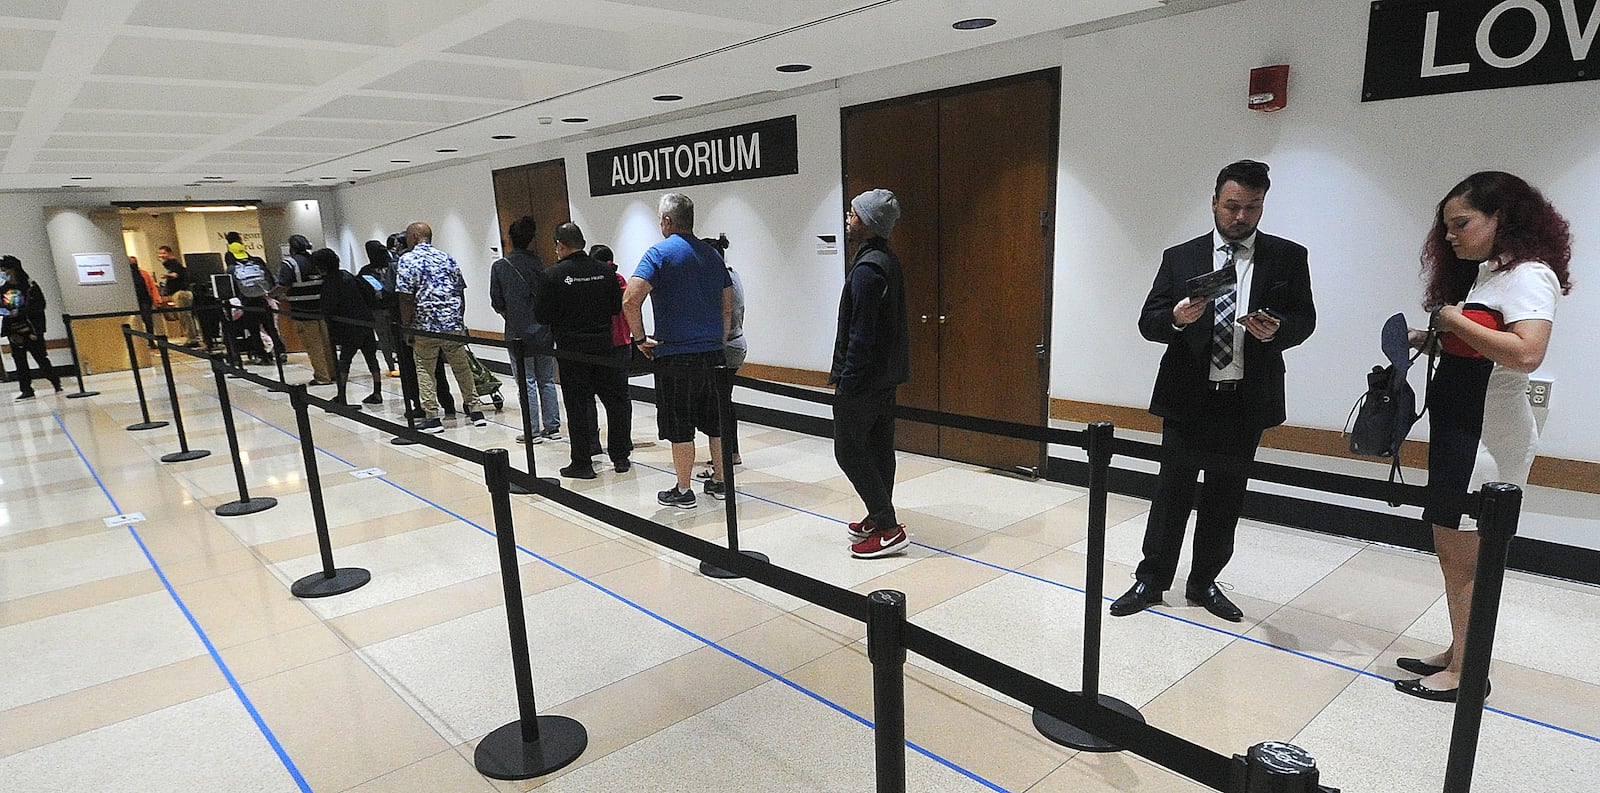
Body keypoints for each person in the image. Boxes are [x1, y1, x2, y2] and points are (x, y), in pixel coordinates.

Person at [1110, 160, 1316, 622]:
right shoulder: (1180, 257)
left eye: (1252, 207)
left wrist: (1275, 331)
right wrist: (1177, 318)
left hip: (1246, 397)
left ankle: (1204, 582)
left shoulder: (1287, 257)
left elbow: (1305, 320)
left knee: (1227, 496)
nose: (1241, 217)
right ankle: (1151, 578)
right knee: (1172, 493)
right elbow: (1150, 320)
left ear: (1264, 204)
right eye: (1232, 206)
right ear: (1214, 202)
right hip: (1188, 397)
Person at [1393, 172, 1571, 702]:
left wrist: (1451, 318)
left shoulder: (1530, 275)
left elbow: (1526, 352)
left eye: (1462, 223)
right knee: (1451, 547)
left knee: (1464, 552)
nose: (1450, 236)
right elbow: (1485, 348)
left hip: (1488, 440)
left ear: (1502, 219)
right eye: (1446, 226)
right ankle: (1459, 649)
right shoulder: (1489, 275)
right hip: (1462, 428)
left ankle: (1467, 672)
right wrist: (1436, 336)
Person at [623, 193, 734, 508]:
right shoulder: (713, 256)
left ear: (667, 222)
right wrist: (720, 340)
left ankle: (684, 490)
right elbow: (728, 306)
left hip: (675, 356)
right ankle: (721, 481)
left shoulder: (659, 254)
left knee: (680, 422)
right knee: (717, 421)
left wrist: (640, 338)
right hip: (713, 354)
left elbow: (631, 299)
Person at [833, 190, 911, 559]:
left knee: (848, 451)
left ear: (866, 223)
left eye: (853, 214)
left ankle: (888, 527)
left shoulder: (867, 270)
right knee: (880, 449)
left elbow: (860, 335)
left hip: (864, 381)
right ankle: (881, 515)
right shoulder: (886, 261)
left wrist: (847, 382)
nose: (848, 218)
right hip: (885, 378)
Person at [537, 223, 631, 479]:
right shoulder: (605, 272)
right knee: (616, 402)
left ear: (561, 245)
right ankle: (621, 456)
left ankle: (582, 462)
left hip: (572, 351)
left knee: (578, 406)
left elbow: (542, 314)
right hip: (604, 347)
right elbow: (615, 308)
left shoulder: (552, 275)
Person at [394, 221, 483, 433]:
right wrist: (459, 319)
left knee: (425, 370)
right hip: (452, 324)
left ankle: (432, 416)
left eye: (408, 236)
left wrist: (407, 328)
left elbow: (406, 298)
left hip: (425, 326)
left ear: (415, 236)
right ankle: (475, 409)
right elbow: (460, 291)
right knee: (462, 368)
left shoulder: (407, 260)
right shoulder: (447, 257)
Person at [490, 216, 561, 444]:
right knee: (547, 380)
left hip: (518, 333)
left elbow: (497, 301)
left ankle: (533, 431)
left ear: (510, 239)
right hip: (544, 331)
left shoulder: (500, 266)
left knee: (526, 381)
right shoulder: (540, 263)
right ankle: (553, 426)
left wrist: (512, 316)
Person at [699, 234, 745, 479]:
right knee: (725, 402)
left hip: (725, 347)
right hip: (737, 343)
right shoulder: (732, 273)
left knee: (718, 405)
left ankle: (724, 457)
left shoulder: (718, 280)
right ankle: (731, 452)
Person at [314, 247, 383, 408]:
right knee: (371, 357)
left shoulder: (330, 282)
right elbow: (367, 293)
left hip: (348, 326)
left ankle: (342, 396)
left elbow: (328, 307)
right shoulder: (348, 275)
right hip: (365, 321)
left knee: (344, 361)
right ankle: (377, 391)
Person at [1, 255, 62, 399]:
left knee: (41, 358)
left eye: (4, 270)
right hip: (14, 331)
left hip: (31, 329)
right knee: (19, 361)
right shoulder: (4, 289)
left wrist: (20, 312)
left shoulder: (30, 287)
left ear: (13, 270)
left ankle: (55, 381)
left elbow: (40, 306)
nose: (3, 273)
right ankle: (26, 389)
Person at [277, 234, 335, 386]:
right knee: (327, 344)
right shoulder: (316, 260)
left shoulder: (289, 263)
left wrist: (270, 294)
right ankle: (333, 373)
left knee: (313, 346)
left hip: (302, 311)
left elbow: (283, 285)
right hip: (322, 309)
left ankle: (322, 377)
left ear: (292, 248)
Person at [225, 235, 285, 366]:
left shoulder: (231, 269)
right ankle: (280, 351)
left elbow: (231, 289)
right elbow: (270, 279)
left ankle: (263, 356)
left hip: (246, 303)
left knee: (254, 330)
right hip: (263, 300)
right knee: (270, 328)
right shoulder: (257, 262)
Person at [358, 240, 400, 376]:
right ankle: (403, 364)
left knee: (384, 339)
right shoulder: (394, 266)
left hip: (377, 310)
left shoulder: (365, 271)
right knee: (398, 338)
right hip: (395, 308)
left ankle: (391, 366)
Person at [157, 246, 201, 347]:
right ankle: (191, 337)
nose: (161, 256)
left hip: (181, 293)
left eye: (163, 253)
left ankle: (192, 339)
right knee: (185, 316)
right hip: (181, 293)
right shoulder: (172, 264)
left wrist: (166, 276)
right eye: (160, 254)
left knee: (185, 316)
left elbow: (175, 275)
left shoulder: (174, 263)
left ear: (169, 253)